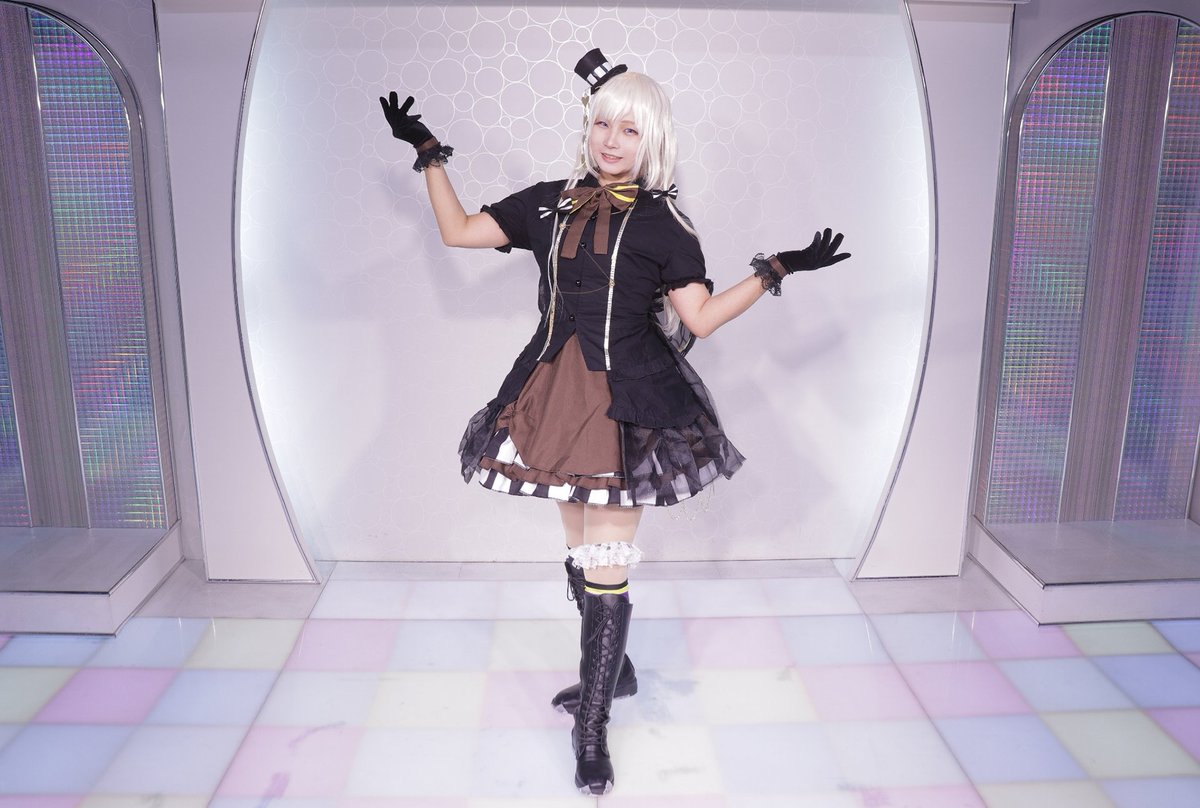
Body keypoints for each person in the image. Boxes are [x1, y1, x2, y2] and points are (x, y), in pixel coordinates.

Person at [380, 48, 848, 796]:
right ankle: (616, 671)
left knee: (605, 562)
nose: (611, 141)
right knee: (580, 550)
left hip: (629, 403)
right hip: (551, 394)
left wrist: (774, 271)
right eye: (602, 124)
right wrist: (430, 153)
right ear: (587, 126)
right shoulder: (548, 204)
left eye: (629, 130)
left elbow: (700, 317)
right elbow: (460, 231)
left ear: (652, 139)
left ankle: (591, 727)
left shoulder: (665, 224)